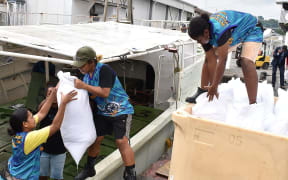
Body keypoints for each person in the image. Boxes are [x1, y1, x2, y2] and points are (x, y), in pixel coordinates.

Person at [73, 46, 136, 180]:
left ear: (92, 62)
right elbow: (91, 96)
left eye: (82, 65)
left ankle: (131, 174)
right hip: (102, 112)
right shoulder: (85, 76)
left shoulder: (104, 70)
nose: (80, 68)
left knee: (121, 141)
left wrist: (84, 87)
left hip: (120, 110)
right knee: (95, 139)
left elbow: (104, 92)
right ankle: (89, 168)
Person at [185, 10, 263, 104]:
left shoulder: (220, 31)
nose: (198, 42)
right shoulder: (205, 29)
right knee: (208, 58)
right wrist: (212, 86)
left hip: (252, 28)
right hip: (236, 32)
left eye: (198, 40)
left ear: (206, 32)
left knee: (246, 62)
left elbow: (223, 60)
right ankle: (202, 91)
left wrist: (215, 85)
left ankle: (253, 103)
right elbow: (211, 60)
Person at [4, 88, 77, 180]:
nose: (34, 118)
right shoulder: (30, 138)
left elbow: (41, 113)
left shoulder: (19, 131)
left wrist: (51, 96)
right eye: (31, 117)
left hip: (12, 173)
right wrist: (63, 103)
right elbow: (55, 126)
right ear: (25, 124)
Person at [39, 82, 67, 180]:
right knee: (42, 174)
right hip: (44, 149)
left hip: (60, 150)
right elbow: (40, 110)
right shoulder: (44, 107)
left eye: (55, 93)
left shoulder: (63, 107)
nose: (53, 95)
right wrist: (48, 99)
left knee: (57, 176)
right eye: (50, 93)